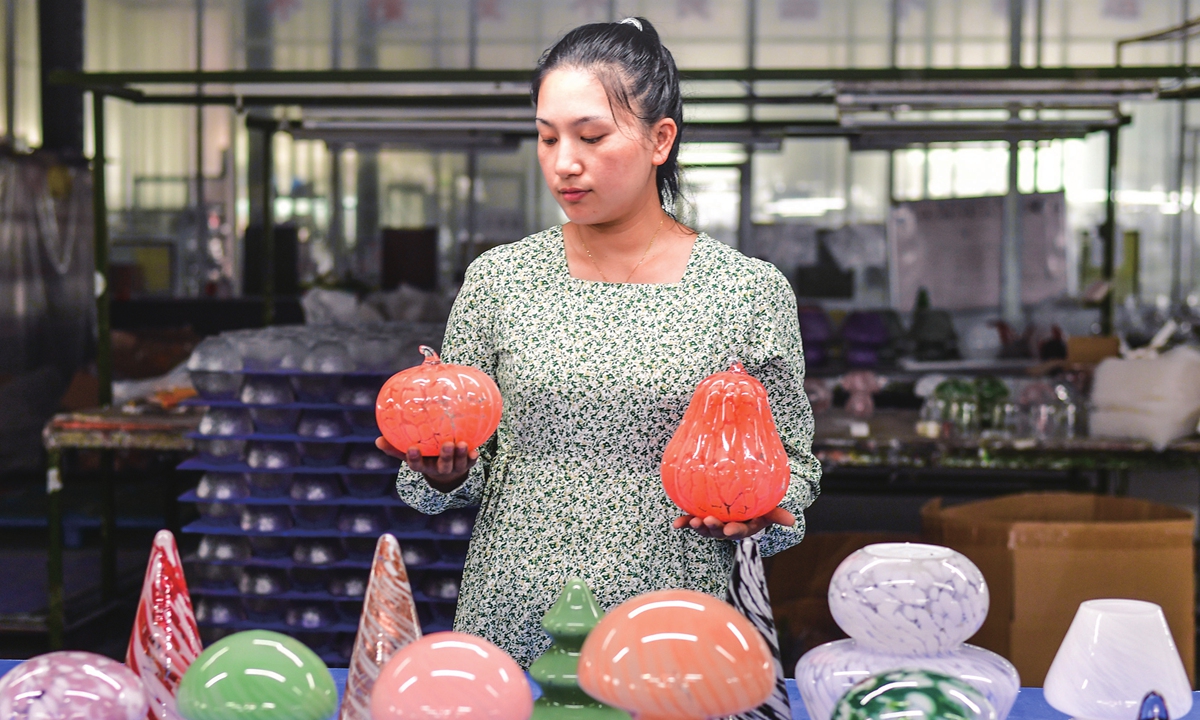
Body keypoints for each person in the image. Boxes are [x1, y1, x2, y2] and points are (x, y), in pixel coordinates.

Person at [376, 16, 821, 667]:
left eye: (592, 136)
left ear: (659, 139)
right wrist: (446, 470)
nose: (564, 163)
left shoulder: (748, 290)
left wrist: (760, 508)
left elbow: (793, 462)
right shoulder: (502, 280)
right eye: (546, 136)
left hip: (678, 621)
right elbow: (463, 442)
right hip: (518, 612)